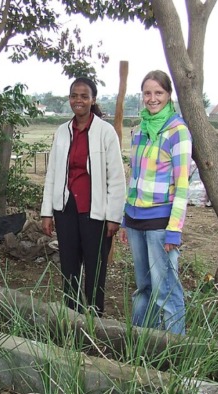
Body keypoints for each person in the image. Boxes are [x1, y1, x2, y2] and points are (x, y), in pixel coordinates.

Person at [41, 77, 126, 316]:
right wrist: (47, 212)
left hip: (95, 211)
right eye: (74, 96)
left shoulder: (105, 132)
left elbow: (116, 177)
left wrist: (113, 217)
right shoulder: (62, 132)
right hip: (66, 209)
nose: (78, 101)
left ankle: (95, 318)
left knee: (95, 267)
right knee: (69, 267)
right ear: (69, 99)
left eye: (84, 96)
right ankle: (71, 316)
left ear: (93, 100)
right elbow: (52, 174)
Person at [119, 70, 192, 335]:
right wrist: (125, 220)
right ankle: (139, 345)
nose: (152, 99)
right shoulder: (139, 132)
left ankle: (175, 353)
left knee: (166, 290)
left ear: (169, 95)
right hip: (136, 220)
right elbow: (134, 179)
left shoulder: (177, 132)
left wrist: (175, 228)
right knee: (144, 288)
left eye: (158, 93)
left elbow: (182, 185)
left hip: (161, 224)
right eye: (147, 93)